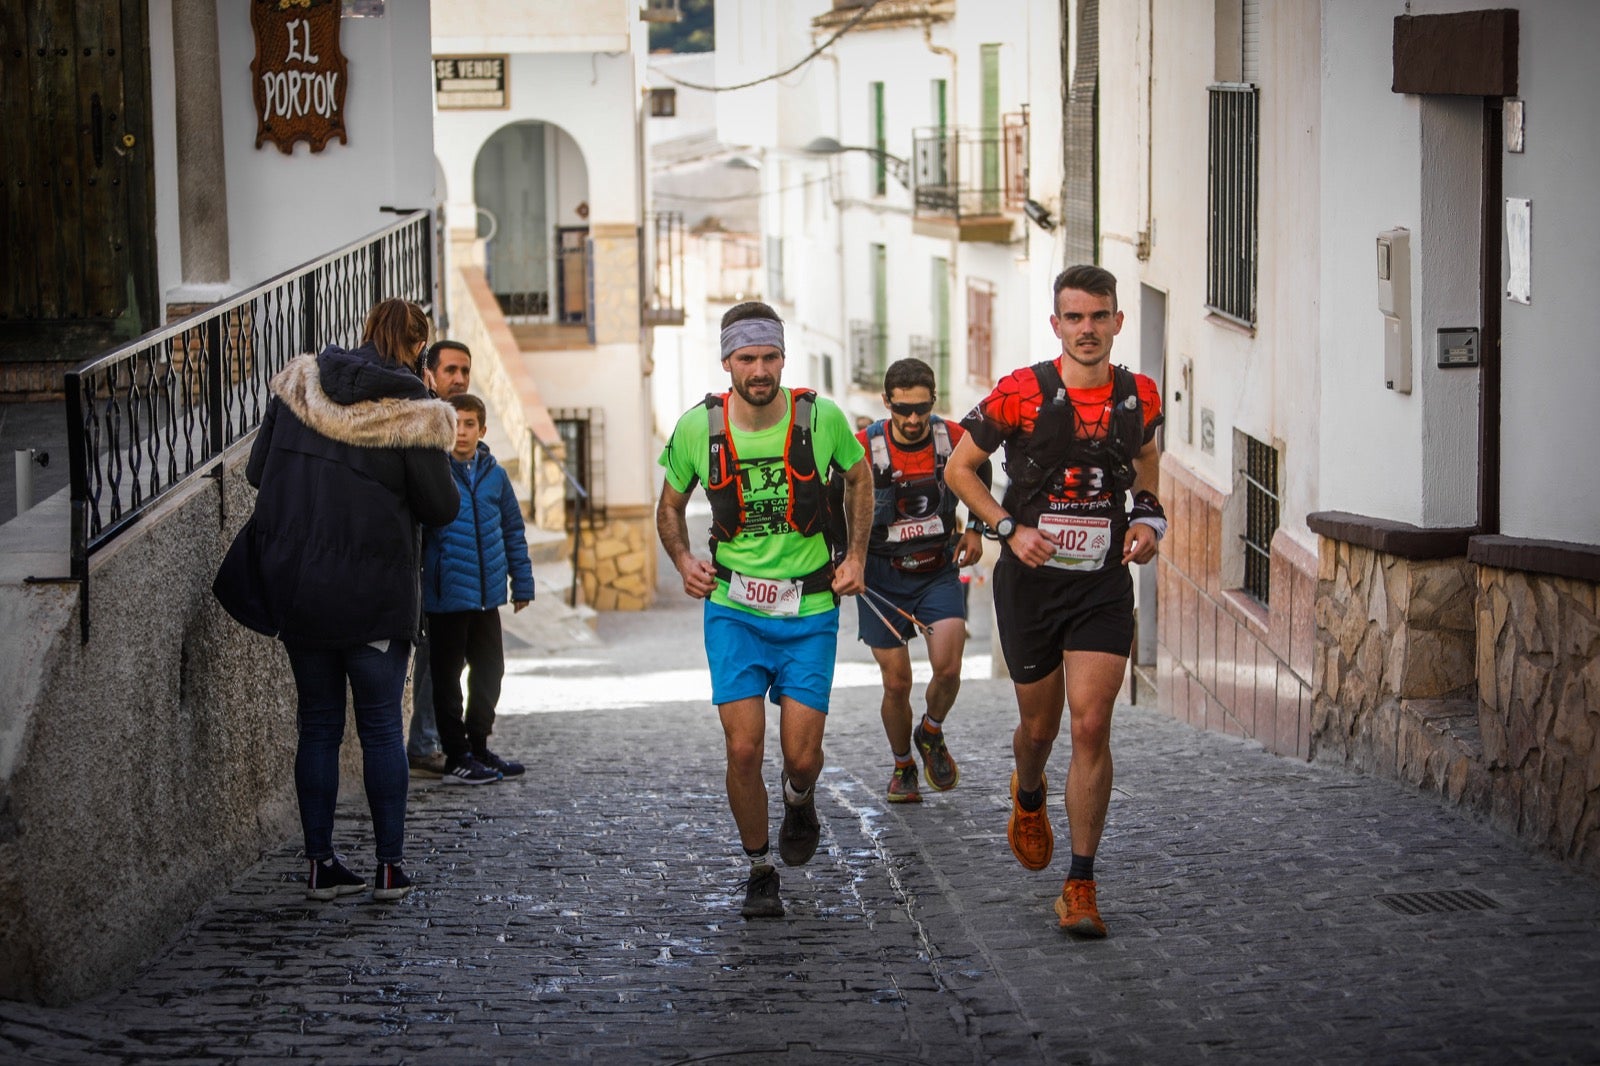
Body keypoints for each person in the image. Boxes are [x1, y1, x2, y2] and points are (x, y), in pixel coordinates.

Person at [944, 265, 1165, 939]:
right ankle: (1029, 789)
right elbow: (959, 467)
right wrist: (1008, 529)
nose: (1088, 329)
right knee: (1039, 732)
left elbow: (1148, 459)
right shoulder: (1022, 393)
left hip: (1100, 583)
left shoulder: (1138, 396)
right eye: (1075, 318)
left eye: (1099, 316)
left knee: (1092, 725)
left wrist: (1147, 519)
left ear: (1118, 322)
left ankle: (1081, 884)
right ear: (1057, 324)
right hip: (1031, 583)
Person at [213, 298, 459, 903]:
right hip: (374, 595)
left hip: (302, 591)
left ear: (365, 331)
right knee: (380, 730)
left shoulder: (300, 387)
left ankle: (321, 866)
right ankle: (389, 869)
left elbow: (257, 471)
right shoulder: (416, 413)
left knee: (317, 725)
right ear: (417, 349)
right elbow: (442, 508)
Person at [656, 300, 871, 920]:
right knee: (744, 748)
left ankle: (799, 796)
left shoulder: (821, 418)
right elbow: (669, 507)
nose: (759, 369)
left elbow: (860, 481)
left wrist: (855, 555)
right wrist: (683, 560)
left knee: (802, 755)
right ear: (727, 362)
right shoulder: (698, 429)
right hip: (733, 607)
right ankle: (758, 867)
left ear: (783, 358)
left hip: (809, 607)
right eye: (747, 358)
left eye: (769, 357)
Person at [854, 358, 991, 804]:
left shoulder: (951, 438)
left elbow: (981, 469)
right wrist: (846, 559)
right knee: (896, 682)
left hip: (937, 571)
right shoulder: (863, 448)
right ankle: (902, 766)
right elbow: (837, 498)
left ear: (933, 399)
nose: (913, 419)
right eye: (903, 410)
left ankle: (930, 731)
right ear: (887, 403)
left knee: (949, 667)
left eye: (922, 408)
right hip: (880, 578)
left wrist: (975, 528)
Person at [424, 393, 535, 785]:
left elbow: (512, 530)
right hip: (447, 597)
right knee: (448, 677)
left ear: (482, 430)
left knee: (490, 671)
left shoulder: (495, 475)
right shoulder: (434, 472)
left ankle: (479, 746)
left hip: (487, 596)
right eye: (455, 424)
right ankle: (456, 756)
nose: (462, 432)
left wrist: (521, 582)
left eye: (469, 424)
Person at [408, 339, 474, 778]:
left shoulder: (460, 422)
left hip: (459, 569)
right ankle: (423, 741)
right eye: (451, 370)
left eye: (465, 370)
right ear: (430, 372)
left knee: (451, 659)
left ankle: (432, 738)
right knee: (429, 656)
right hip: (424, 564)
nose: (459, 378)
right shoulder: (425, 418)